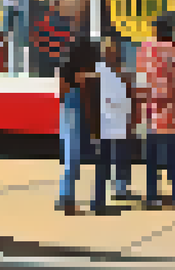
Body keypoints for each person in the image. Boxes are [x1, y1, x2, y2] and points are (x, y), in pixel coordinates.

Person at [138, 14, 175, 210]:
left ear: (155, 31)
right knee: (172, 159)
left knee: (151, 158)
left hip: (151, 114)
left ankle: (152, 195)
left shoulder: (145, 50)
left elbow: (140, 80)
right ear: (171, 30)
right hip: (173, 115)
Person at [56, 38, 97, 216]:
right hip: (78, 105)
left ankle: (66, 197)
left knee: (70, 153)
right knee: (73, 155)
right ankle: (67, 199)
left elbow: (62, 90)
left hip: (68, 107)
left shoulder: (66, 66)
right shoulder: (89, 69)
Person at [96, 37, 133, 212]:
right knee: (104, 161)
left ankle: (120, 187)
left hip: (121, 121)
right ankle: (100, 197)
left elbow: (128, 92)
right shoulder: (99, 71)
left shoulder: (121, 70)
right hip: (105, 121)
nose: (113, 53)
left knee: (122, 156)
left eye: (115, 50)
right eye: (110, 50)